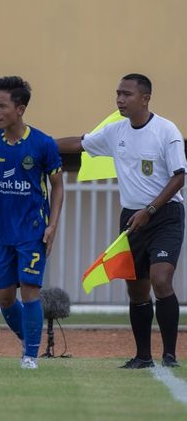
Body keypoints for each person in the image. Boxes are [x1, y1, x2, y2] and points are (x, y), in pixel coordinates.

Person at [56, 73, 185, 368]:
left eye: (126, 94)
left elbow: (179, 177)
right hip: (131, 216)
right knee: (136, 288)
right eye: (118, 94)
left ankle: (170, 355)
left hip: (164, 216)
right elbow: (80, 142)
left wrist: (150, 210)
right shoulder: (116, 132)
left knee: (160, 279)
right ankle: (143, 356)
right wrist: (39, 144)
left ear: (145, 98)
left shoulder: (167, 131)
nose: (120, 100)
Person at [0, 76, 64, 370]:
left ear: (20, 109)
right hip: (2, 232)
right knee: (5, 297)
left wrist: (53, 224)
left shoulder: (43, 144)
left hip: (33, 231)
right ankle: (31, 338)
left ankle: (30, 356)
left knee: (30, 290)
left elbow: (58, 186)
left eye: (2, 106)